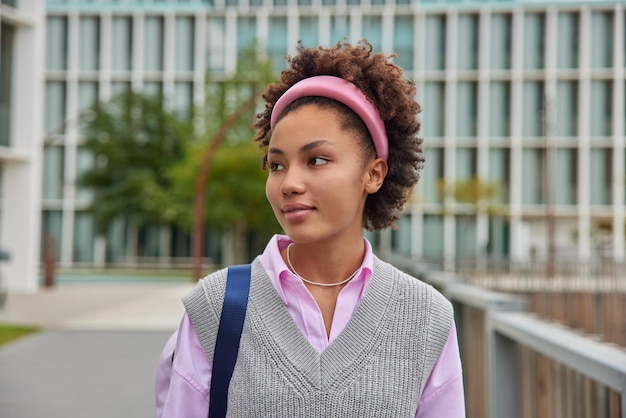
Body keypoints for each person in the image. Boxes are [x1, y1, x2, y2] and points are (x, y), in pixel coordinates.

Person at [156, 40, 465, 417]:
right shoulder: (217, 306)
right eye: (277, 165)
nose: (289, 184)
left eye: (316, 160)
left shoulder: (426, 316)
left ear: (373, 173)